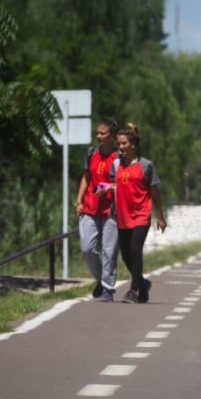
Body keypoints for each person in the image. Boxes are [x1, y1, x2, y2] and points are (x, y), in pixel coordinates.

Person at [111, 123, 167, 304]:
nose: (120, 148)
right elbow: (116, 185)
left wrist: (160, 215)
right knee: (126, 255)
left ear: (132, 144)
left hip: (141, 215)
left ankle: (133, 290)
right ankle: (142, 284)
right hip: (122, 215)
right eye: (118, 144)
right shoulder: (117, 165)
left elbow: (155, 192)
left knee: (135, 250)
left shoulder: (146, 165)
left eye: (124, 144)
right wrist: (105, 190)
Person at [75, 119, 120, 302]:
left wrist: (108, 187)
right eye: (97, 133)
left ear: (112, 136)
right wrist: (78, 201)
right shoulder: (91, 153)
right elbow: (86, 178)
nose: (98, 136)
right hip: (90, 208)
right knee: (87, 249)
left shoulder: (119, 157)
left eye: (102, 133)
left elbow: (125, 183)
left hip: (112, 211)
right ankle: (101, 280)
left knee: (109, 251)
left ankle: (108, 288)